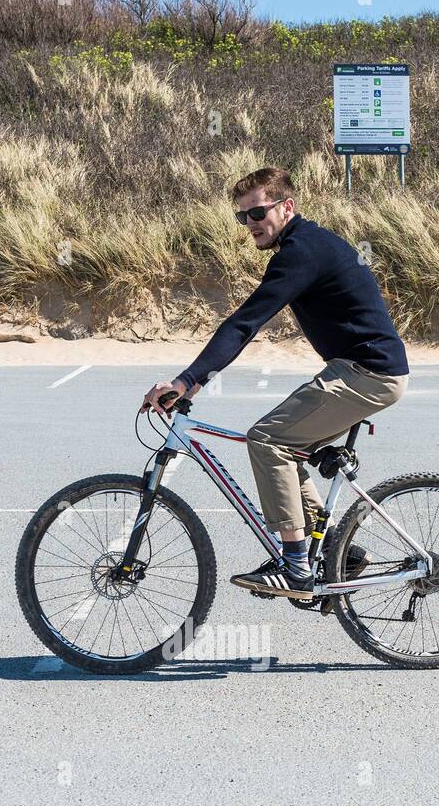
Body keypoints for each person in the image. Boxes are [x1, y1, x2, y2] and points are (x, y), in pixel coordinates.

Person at [141, 166, 409, 601]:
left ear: (287, 207)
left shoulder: (301, 252)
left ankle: (297, 565)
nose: (250, 224)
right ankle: (341, 551)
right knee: (285, 448)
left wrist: (189, 380)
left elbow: (244, 324)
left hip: (369, 374)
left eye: (258, 212)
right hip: (359, 370)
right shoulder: (305, 245)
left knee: (267, 440)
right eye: (242, 216)